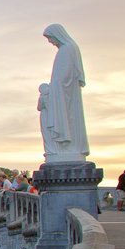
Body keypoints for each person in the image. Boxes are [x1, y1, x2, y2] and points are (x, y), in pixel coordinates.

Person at [40, 24, 89, 162]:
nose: (50, 41)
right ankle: (64, 147)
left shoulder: (67, 49)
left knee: (67, 120)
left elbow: (64, 76)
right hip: (61, 92)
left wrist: (53, 88)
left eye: (50, 38)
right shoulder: (68, 49)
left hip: (63, 94)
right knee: (67, 121)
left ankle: (66, 146)